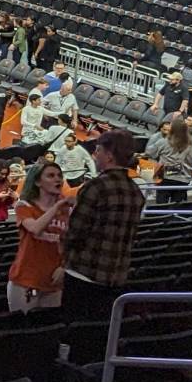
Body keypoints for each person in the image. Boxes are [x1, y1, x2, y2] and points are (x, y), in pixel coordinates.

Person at [60, 131, 143, 324]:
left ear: (109, 155)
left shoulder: (96, 187)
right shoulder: (135, 191)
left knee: (76, 329)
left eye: (98, 150)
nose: (95, 155)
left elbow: (75, 232)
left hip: (84, 274)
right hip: (116, 276)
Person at [7, 161, 72, 312]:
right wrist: (56, 206)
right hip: (26, 280)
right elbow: (35, 228)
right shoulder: (24, 206)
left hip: (54, 281)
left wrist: (64, 267)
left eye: (59, 176)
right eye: (50, 176)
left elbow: (72, 242)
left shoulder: (67, 210)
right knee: (24, 328)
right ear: (37, 182)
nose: (58, 179)